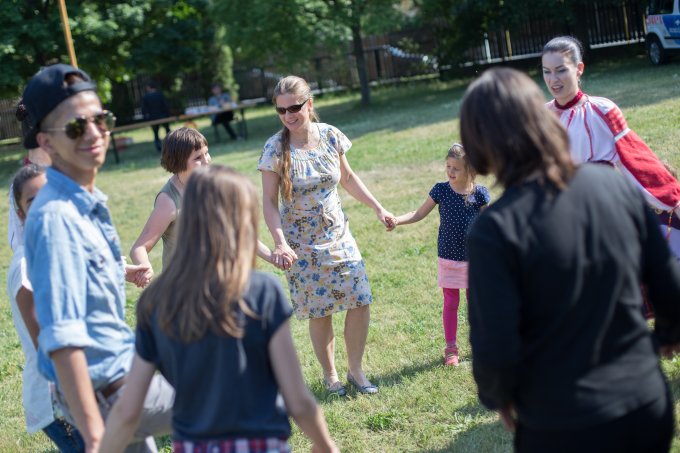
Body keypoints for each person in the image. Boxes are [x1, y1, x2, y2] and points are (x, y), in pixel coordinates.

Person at [461, 67, 680, 453]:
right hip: (645, 405)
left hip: (562, 423)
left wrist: (500, 397)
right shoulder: (613, 186)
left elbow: (494, 343)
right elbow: (669, 284)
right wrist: (666, 336)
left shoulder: (492, 231)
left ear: (480, 142)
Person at [99, 166, 339, 453]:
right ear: (242, 222)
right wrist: (325, 445)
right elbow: (297, 397)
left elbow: (127, 411)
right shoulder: (262, 291)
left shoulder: (155, 302)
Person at [21, 63, 174, 452]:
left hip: (122, 373)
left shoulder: (83, 200)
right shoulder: (57, 215)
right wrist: (93, 437)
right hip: (108, 392)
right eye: (75, 127)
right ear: (47, 143)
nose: (93, 133)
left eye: (100, 120)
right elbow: (61, 335)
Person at [259, 75, 394, 396]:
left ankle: (356, 371)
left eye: (295, 107)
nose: (289, 115)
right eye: (281, 110)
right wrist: (279, 241)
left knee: (360, 299)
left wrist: (377, 207)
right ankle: (330, 375)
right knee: (320, 310)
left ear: (310, 103)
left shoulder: (331, 135)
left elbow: (347, 177)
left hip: (339, 235)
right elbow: (267, 201)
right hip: (301, 245)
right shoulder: (275, 148)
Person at [541, 36, 680, 258]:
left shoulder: (602, 110)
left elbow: (637, 160)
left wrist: (671, 199)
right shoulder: (541, 117)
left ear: (579, 69)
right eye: (546, 71)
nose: (553, 79)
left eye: (560, 70)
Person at [130, 127, 280, 284]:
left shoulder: (213, 185)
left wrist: (273, 257)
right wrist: (144, 266)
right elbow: (139, 248)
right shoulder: (169, 202)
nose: (207, 160)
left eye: (206, 153)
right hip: (184, 289)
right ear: (179, 161)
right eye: (197, 158)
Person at [7, 164, 85, 452]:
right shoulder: (27, 267)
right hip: (60, 398)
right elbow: (50, 347)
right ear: (21, 213)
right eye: (31, 200)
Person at [391, 144, 490, 366]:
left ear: (470, 170)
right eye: (448, 166)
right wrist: (398, 220)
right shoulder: (441, 190)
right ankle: (451, 349)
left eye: (456, 168)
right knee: (451, 301)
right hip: (449, 257)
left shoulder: (480, 194)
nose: (450, 172)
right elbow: (419, 213)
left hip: (476, 259)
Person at [141, 81, 171, 152]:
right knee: (167, 130)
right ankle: (171, 144)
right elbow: (165, 106)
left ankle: (159, 147)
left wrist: (146, 118)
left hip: (153, 118)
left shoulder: (146, 97)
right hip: (163, 116)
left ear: (149, 88)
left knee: (156, 133)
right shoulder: (160, 95)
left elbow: (144, 109)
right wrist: (167, 115)